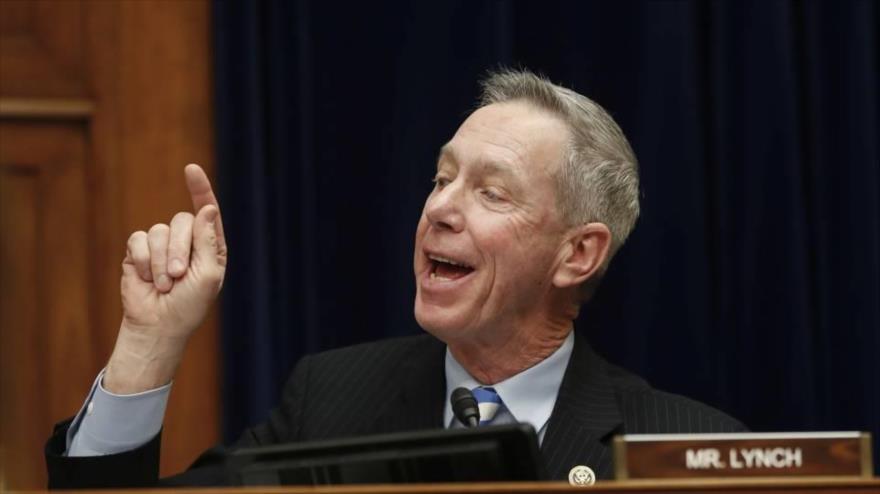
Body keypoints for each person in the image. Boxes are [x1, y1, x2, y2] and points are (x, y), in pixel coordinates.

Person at [45, 69, 745, 488]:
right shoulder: (329, 401)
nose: (438, 207)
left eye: (490, 192)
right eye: (441, 178)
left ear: (578, 255)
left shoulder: (678, 446)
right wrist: (148, 344)